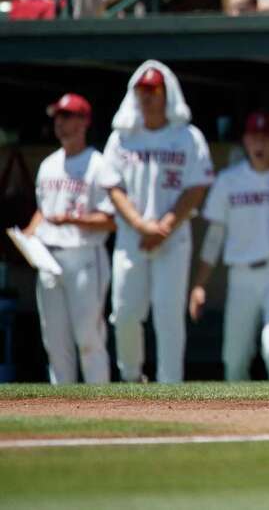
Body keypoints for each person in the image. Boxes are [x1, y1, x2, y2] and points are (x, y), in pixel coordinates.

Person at [188, 111, 269, 382]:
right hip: (241, 275)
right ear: (245, 141)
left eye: (265, 137)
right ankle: (237, 424)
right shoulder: (228, 180)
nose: (259, 143)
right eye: (253, 137)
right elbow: (215, 236)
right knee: (233, 359)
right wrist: (199, 284)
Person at [104, 61, 213, 383]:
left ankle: (170, 386)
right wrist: (140, 225)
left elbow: (197, 185)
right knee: (124, 313)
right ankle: (131, 376)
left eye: (153, 91)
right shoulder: (122, 138)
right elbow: (113, 186)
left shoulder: (187, 137)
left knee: (168, 315)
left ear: (167, 94)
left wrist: (164, 225)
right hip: (131, 238)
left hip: (173, 238)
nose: (147, 97)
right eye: (142, 91)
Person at [22, 94, 118, 384]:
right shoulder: (49, 165)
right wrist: (27, 233)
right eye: (57, 118)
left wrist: (72, 220)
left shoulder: (99, 164)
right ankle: (62, 408)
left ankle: (101, 407)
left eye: (67, 117)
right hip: (49, 257)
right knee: (54, 341)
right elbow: (43, 210)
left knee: (88, 338)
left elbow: (111, 220)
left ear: (84, 122)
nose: (60, 124)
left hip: (85, 255)